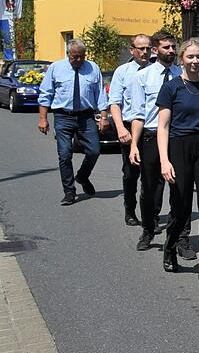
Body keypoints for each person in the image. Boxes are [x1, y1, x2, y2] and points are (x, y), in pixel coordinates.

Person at [156, 40, 199, 284]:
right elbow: (162, 126)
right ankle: (171, 245)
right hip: (178, 146)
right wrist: (164, 160)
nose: (195, 61)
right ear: (182, 58)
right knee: (180, 204)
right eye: (190, 57)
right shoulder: (171, 88)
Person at [127, 31, 184, 252]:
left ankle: (181, 236)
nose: (171, 51)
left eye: (173, 47)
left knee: (181, 188)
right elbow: (138, 114)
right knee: (150, 188)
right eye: (166, 47)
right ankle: (148, 230)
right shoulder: (143, 77)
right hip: (151, 136)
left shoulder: (183, 74)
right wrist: (134, 144)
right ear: (154, 50)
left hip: (178, 137)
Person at [38, 38, 108, 205]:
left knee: (94, 150)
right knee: (64, 155)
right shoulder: (56, 68)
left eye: (81, 56)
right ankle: (69, 191)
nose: (78, 60)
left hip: (86, 116)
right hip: (63, 116)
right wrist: (43, 119)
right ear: (68, 54)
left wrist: (103, 117)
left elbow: (100, 94)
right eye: (75, 57)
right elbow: (45, 94)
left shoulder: (93, 68)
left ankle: (82, 176)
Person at [109, 34, 152, 226]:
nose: (145, 52)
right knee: (130, 173)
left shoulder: (156, 70)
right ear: (131, 50)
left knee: (151, 175)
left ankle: (150, 213)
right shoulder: (123, 71)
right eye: (140, 48)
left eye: (148, 48)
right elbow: (115, 103)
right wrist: (119, 128)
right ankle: (130, 209)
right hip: (128, 127)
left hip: (151, 128)